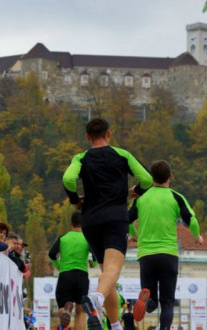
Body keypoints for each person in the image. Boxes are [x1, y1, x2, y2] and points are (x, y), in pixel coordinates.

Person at [63, 118, 152, 330]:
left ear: (87, 137)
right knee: (112, 270)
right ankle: (96, 299)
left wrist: (75, 200)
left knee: (107, 274)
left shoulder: (81, 157)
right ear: (108, 134)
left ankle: (114, 325)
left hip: (91, 221)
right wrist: (135, 191)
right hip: (115, 218)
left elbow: (68, 179)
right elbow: (147, 179)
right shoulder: (122, 155)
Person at [128, 160, 202, 330]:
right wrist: (197, 236)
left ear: (152, 177)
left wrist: (134, 234)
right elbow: (192, 220)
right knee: (167, 301)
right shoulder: (176, 197)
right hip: (168, 254)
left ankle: (145, 301)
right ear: (170, 176)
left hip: (146, 255)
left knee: (152, 300)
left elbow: (127, 220)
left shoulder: (141, 200)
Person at [49, 212, 96, 330]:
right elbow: (96, 255)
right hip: (81, 275)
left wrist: (58, 265)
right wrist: (93, 263)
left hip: (65, 275)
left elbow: (51, 254)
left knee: (62, 306)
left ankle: (66, 311)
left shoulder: (63, 238)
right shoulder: (87, 238)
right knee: (81, 312)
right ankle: (69, 312)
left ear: (71, 223)